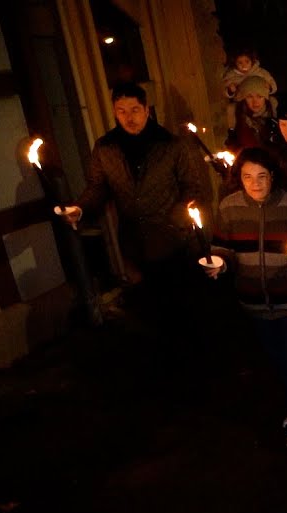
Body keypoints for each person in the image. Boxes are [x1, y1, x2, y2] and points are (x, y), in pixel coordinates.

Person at [60, 82, 212, 362]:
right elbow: (97, 187)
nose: (128, 117)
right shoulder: (106, 148)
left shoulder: (170, 144)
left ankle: (195, 359)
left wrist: (178, 219)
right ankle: (162, 360)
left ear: (146, 109)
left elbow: (193, 187)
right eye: (121, 111)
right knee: (150, 307)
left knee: (182, 305)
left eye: (134, 110)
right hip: (134, 242)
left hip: (172, 241)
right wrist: (80, 210)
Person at [203, 147, 287, 448]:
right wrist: (220, 264)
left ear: (273, 176)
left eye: (262, 176)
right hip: (252, 303)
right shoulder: (229, 207)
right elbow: (222, 247)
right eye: (248, 177)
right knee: (278, 360)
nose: (255, 183)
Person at [225, 75, 278, 154]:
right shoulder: (237, 114)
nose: (255, 102)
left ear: (265, 98)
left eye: (260, 96)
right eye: (249, 97)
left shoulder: (273, 112)